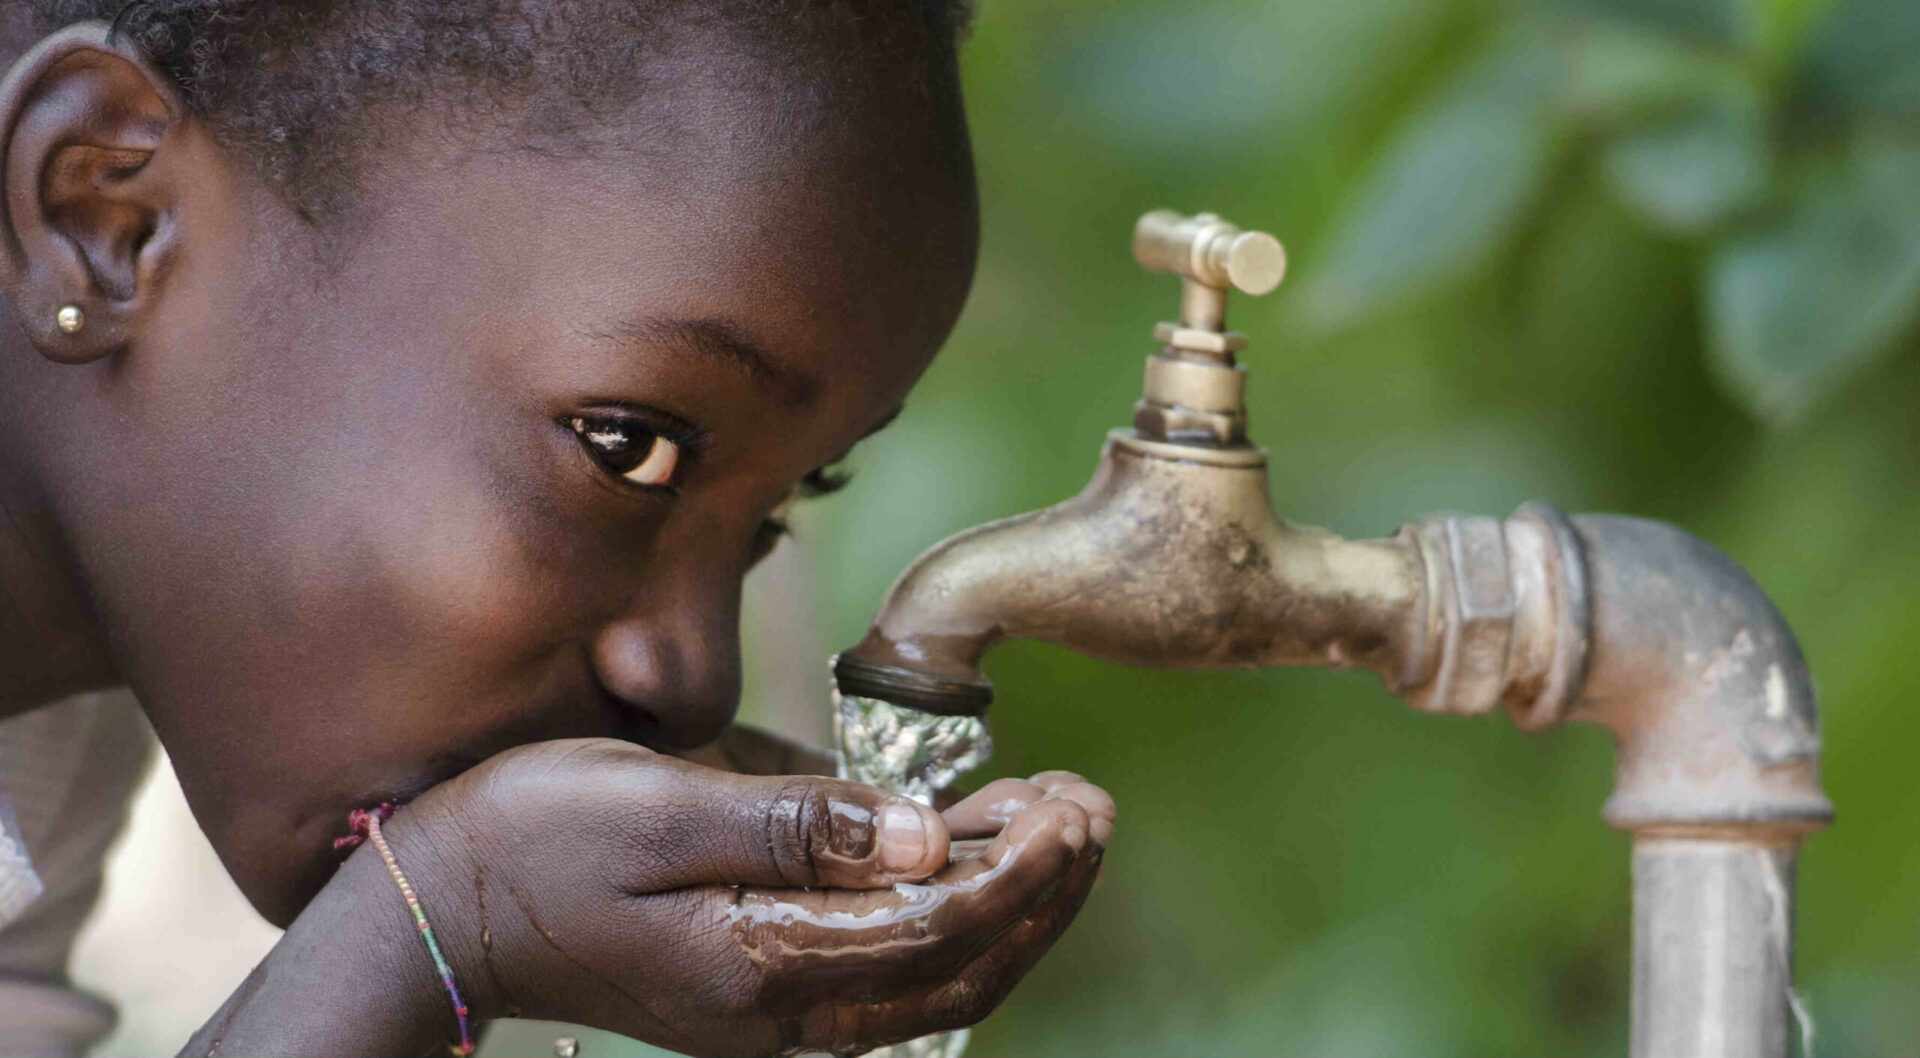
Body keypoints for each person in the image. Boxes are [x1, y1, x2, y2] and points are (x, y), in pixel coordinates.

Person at [0, 2, 1116, 1055]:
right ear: (108, 218)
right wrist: (427, 929)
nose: (691, 679)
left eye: (781, 506)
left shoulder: (50, 730)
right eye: (628, 445)